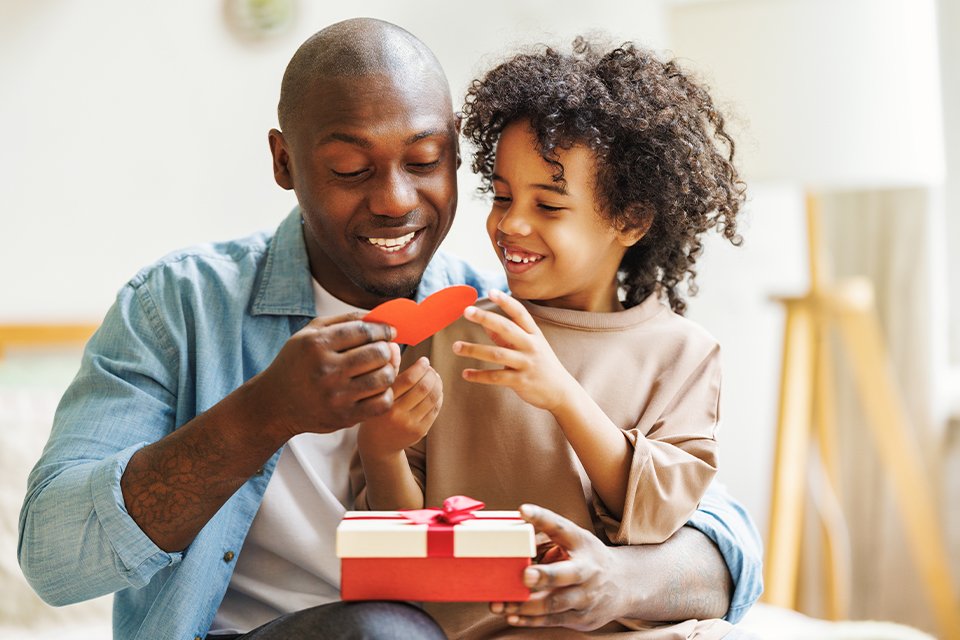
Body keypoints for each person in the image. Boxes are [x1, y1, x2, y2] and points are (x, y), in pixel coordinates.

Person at [17, 18, 761, 640]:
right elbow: (55, 560)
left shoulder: (492, 318)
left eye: (425, 161)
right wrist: (263, 414)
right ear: (285, 162)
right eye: (349, 169)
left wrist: (617, 583)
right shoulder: (176, 307)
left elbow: (723, 541)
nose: (395, 201)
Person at [356, 37, 747, 639]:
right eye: (505, 197)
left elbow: (659, 517)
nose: (512, 223)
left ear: (631, 219)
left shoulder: (683, 355)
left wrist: (560, 392)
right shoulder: (454, 334)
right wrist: (382, 450)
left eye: (549, 205)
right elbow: (398, 560)